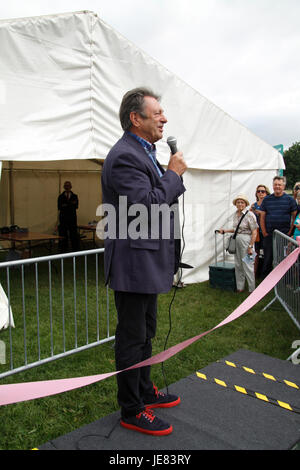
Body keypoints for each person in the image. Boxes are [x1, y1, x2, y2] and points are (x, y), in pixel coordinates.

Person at [101, 87, 187, 436]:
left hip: (147, 261)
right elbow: (145, 206)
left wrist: (169, 175)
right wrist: (173, 175)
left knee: (146, 332)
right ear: (136, 119)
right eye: (157, 113)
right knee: (133, 337)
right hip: (134, 264)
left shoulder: (142, 151)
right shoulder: (124, 156)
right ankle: (131, 408)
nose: (164, 118)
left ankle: (144, 389)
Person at [259, 176, 297, 279]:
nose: (277, 187)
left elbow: (294, 217)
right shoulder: (267, 199)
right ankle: (265, 281)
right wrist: (264, 232)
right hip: (269, 234)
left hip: (284, 235)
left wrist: (290, 232)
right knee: (268, 258)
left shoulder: (290, 200)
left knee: (283, 259)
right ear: (273, 186)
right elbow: (262, 217)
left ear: (284, 186)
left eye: (279, 185)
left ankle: (284, 281)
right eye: (275, 184)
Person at [219, 195, 258, 293]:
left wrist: (250, 246)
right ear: (236, 204)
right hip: (237, 240)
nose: (240, 204)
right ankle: (240, 287)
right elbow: (236, 229)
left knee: (248, 264)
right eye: (238, 202)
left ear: (245, 204)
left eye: (242, 202)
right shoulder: (235, 214)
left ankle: (252, 289)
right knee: (238, 264)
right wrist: (226, 231)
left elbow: (254, 232)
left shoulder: (250, 215)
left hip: (247, 240)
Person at [250, 184, 270, 277]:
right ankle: (253, 274)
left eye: (263, 191)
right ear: (256, 193)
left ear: (267, 193)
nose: (261, 193)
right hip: (256, 233)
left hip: (266, 232)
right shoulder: (253, 205)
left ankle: (265, 274)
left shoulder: (269, 204)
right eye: (259, 191)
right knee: (255, 253)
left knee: (267, 253)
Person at [57, 181, 79, 252]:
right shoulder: (60, 196)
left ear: (71, 187)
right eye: (66, 186)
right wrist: (70, 204)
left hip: (72, 218)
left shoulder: (75, 196)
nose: (67, 187)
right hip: (63, 218)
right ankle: (63, 249)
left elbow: (76, 206)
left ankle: (75, 248)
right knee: (63, 233)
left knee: (73, 233)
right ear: (64, 187)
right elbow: (60, 207)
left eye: (68, 186)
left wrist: (66, 205)